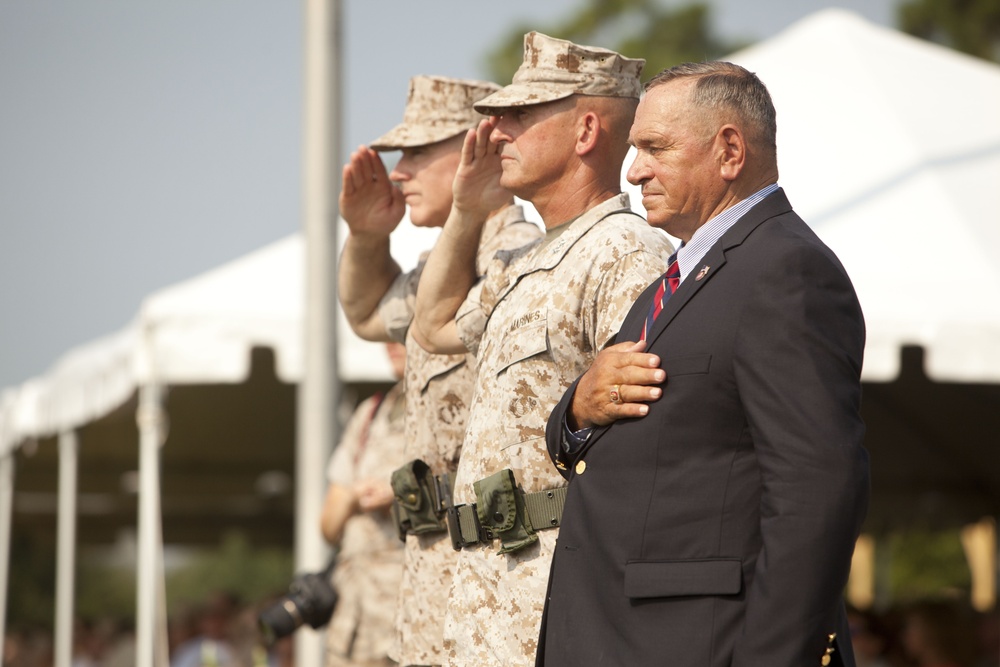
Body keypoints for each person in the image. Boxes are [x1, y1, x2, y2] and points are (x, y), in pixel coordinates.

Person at [537, 61, 870, 666]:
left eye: (654, 147)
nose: (633, 170)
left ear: (730, 150)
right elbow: (589, 448)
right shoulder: (677, 278)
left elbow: (816, 494)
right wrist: (578, 408)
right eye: (635, 147)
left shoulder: (785, 271)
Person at [412, 32, 674, 666]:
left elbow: (652, 437)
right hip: (484, 599)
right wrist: (467, 214)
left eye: (522, 116)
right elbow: (433, 327)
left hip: (555, 599)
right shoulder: (526, 259)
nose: (498, 132)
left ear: (586, 132)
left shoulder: (625, 251)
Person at [337, 75, 542, 666]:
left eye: (419, 152)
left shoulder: (519, 251)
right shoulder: (440, 262)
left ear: (477, 147)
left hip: (497, 554)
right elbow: (367, 313)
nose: (398, 171)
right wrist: (368, 236)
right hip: (435, 553)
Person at [320, 342, 408, 667]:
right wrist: (355, 496)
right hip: (353, 618)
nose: (390, 344)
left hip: (406, 612)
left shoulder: (444, 407)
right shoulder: (371, 413)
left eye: (402, 332)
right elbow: (328, 525)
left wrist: (398, 495)